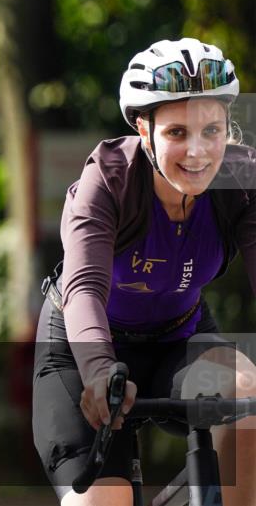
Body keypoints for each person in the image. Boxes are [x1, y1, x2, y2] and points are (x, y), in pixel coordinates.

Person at [32, 37, 256, 506]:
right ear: (144, 128)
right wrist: (96, 371)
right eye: (177, 132)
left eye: (212, 131)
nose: (198, 153)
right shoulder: (109, 179)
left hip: (179, 337)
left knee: (247, 394)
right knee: (104, 502)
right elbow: (85, 287)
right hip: (83, 350)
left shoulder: (240, 180)